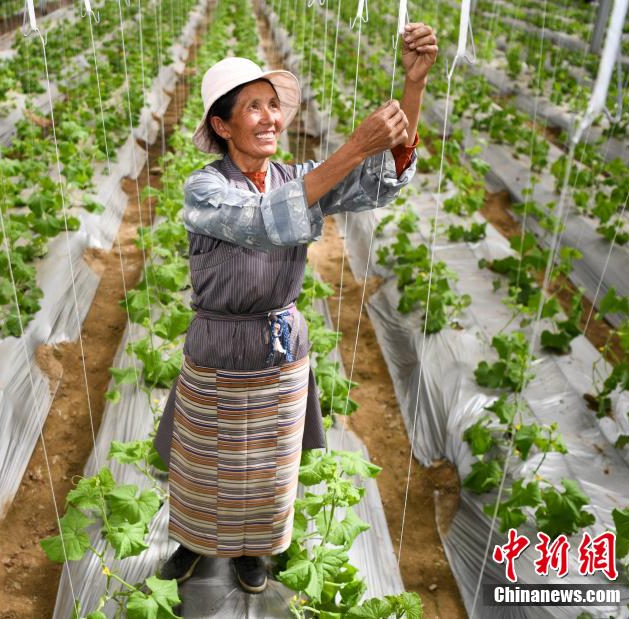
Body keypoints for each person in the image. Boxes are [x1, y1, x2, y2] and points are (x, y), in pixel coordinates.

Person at [152, 23, 438, 593]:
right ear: (221, 125)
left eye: (273, 105)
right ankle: (191, 543)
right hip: (220, 346)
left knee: (268, 464)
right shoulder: (205, 189)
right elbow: (259, 223)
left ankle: (252, 550)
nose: (269, 117)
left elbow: (378, 183)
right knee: (206, 459)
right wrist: (354, 143)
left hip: (281, 345)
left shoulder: (297, 177)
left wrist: (413, 86)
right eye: (252, 107)